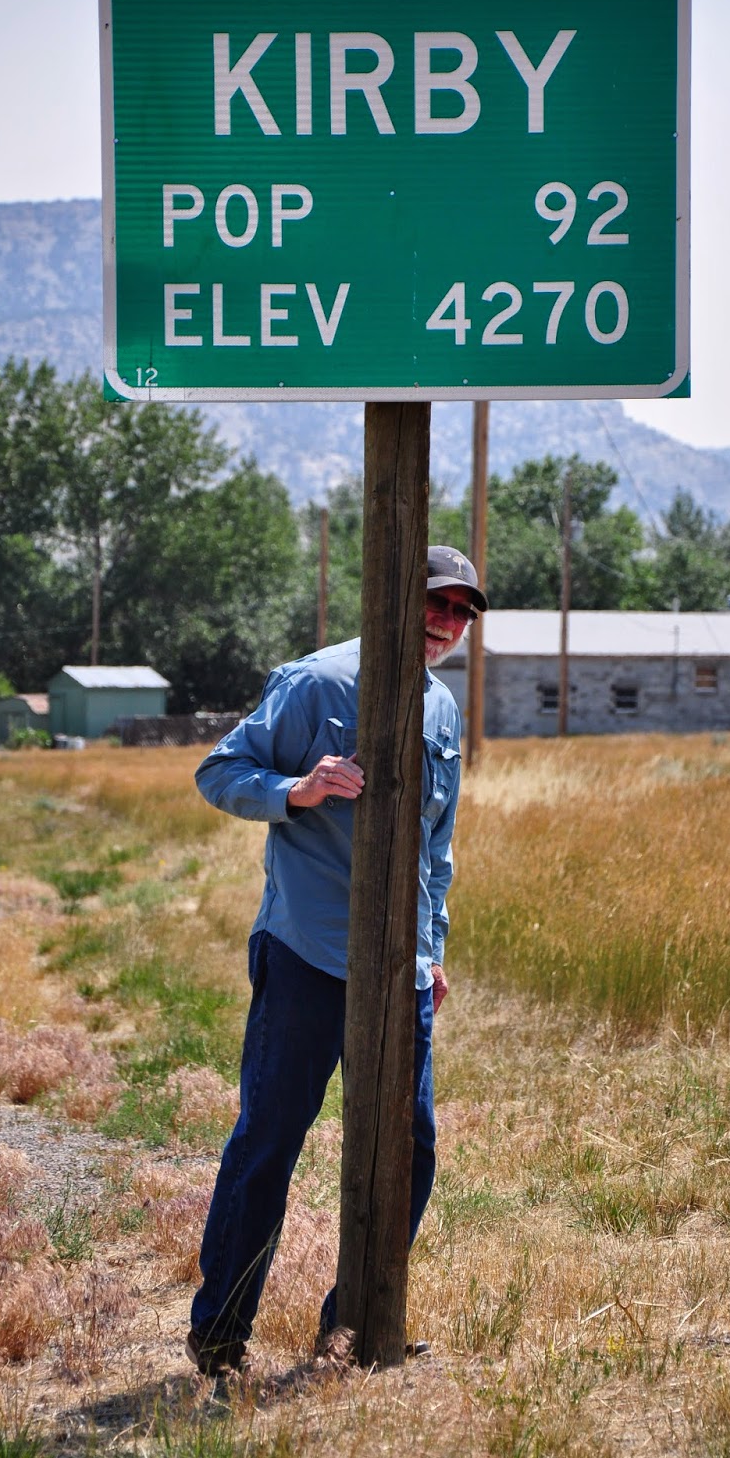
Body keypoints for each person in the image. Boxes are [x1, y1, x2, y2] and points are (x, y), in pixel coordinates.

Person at [186, 545, 488, 1375]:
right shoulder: (317, 683)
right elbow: (220, 771)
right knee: (269, 1142)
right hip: (306, 954)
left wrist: (432, 949)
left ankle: (355, 1328)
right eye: (436, 602)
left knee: (409, 1150)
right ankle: (220, 1337)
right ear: (394, 594)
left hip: (401, 971)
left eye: (462, 613)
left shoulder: (440, 708)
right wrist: (297, 789)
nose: (447, 623)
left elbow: (436, 848)